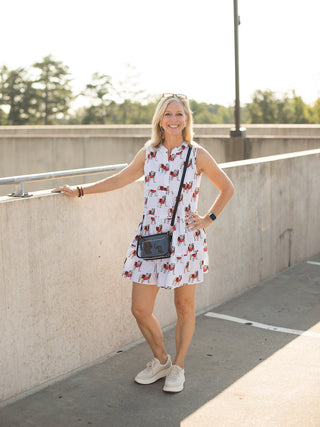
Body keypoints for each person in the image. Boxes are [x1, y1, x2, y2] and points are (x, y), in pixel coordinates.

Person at [52, 93, 234, 393]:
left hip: (185, 241)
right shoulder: (149, 152)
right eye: (168, 114)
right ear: (159, 120)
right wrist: (81, 190)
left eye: (179, 114)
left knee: (183, 305)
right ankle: (161, 360)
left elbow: (227, 187)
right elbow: (119, 179)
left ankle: (179, 367)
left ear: (187, 119)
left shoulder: (196, 154)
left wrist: (207, 219)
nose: (174, 119)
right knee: (139, 308)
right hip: (150, 237)